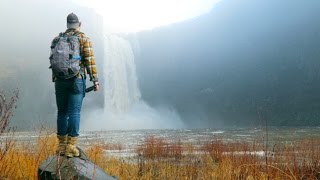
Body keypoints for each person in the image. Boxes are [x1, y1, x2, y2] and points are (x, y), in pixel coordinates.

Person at [49, 13, 100, 157]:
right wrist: (95, 80)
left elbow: (54, 61)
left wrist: (57, 79)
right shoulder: (83, 38)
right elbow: (90, 60)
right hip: (76, 80)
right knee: (74, 112)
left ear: (66, 25)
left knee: (62, 112)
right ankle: (71, 147)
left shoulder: (56, 39)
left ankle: (61, 146)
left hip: (59, 81)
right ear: (79, 24)